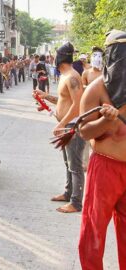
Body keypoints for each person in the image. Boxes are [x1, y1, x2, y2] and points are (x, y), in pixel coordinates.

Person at [78, 29, 126, 270]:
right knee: (94, 228)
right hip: (105, 167)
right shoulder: (96, 89)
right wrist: (106, 121)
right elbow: (84, 132)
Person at [35, 42, 85, 213]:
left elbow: (77, 106)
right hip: (66, 126)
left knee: (75, 165)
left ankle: (76, 202)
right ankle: (68, 192)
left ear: (61, 57)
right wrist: (45, 97)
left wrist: (62, 123)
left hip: (73, 126)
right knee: (68, 163)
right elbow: (64, 101)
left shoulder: (72, 76)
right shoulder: (65, 76)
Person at [81, 46, 104, 171]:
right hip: (88, 110)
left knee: (99, 137)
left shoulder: (106, 73)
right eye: (94, 55)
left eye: (99, 56)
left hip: (102, 110)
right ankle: (85, 164)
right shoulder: (86, 73)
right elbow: (81, 89)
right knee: (86, 135)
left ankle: (97, 160)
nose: (97, 58)